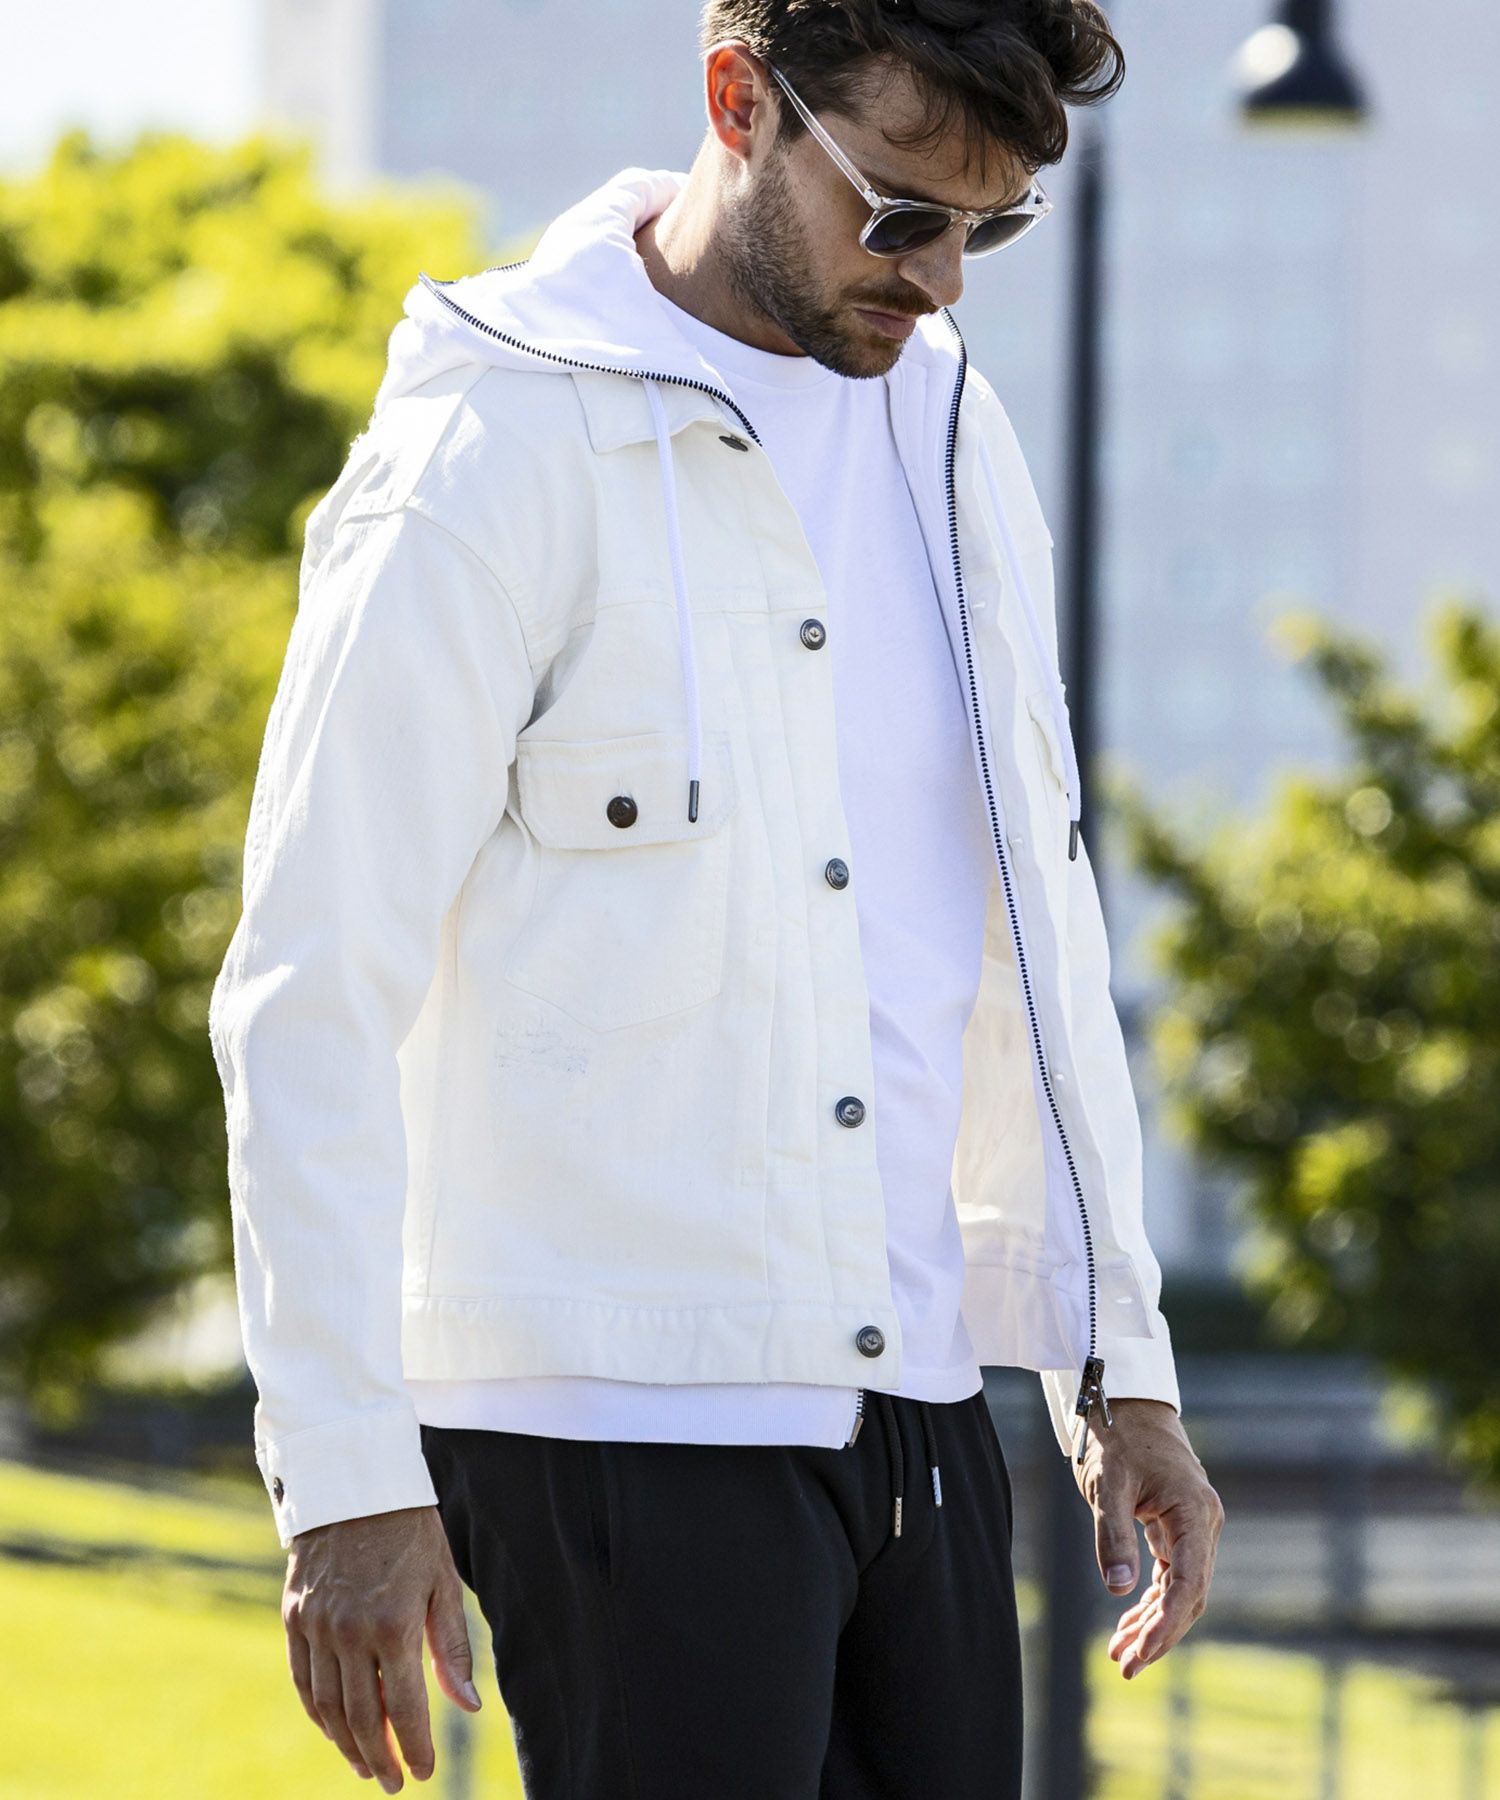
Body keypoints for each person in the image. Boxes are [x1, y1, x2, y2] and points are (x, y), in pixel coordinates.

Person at [209, 3, 1223, 1794]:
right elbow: (310, 983)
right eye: (899, 213)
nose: (941, 282)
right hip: (613, 1418)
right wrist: (345, 1472)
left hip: (917, 1412)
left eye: (987, 231)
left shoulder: (954, 431)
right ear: (739, 99)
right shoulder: (494, 444)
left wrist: (1113, 1361)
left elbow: (1031, 931)